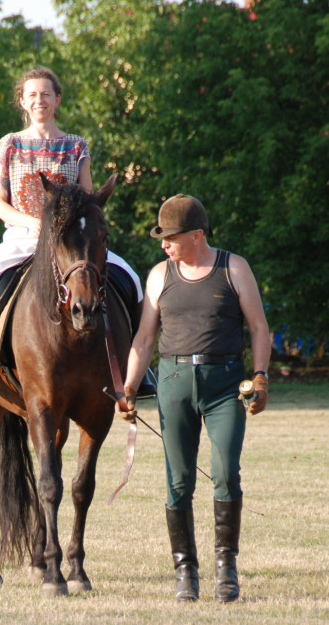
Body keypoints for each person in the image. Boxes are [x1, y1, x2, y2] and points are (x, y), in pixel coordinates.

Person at [117, 193, 270, 603]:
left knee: (224, 472)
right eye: (162, 237)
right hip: (174, 382)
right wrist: (128, 389)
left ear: (197, 235)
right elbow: (145, 337)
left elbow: (258, 327)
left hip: (224, 383)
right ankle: (185, 572)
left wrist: (260, 377)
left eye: (171, 236)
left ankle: (226, 570)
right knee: (178, 480)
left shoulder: (233, 267)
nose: (163, 243)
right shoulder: (159, 275)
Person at [0, 66, 143, 404]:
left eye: (46, 93)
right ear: (22, 101)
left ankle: (140, 368)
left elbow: (89, 200)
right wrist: (32, 224)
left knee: (131, 278)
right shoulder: (10, 145)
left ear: (57, 99)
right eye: (32, 94)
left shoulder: (77, 146)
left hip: (71, 241)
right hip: (23, 236)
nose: (39, 100)